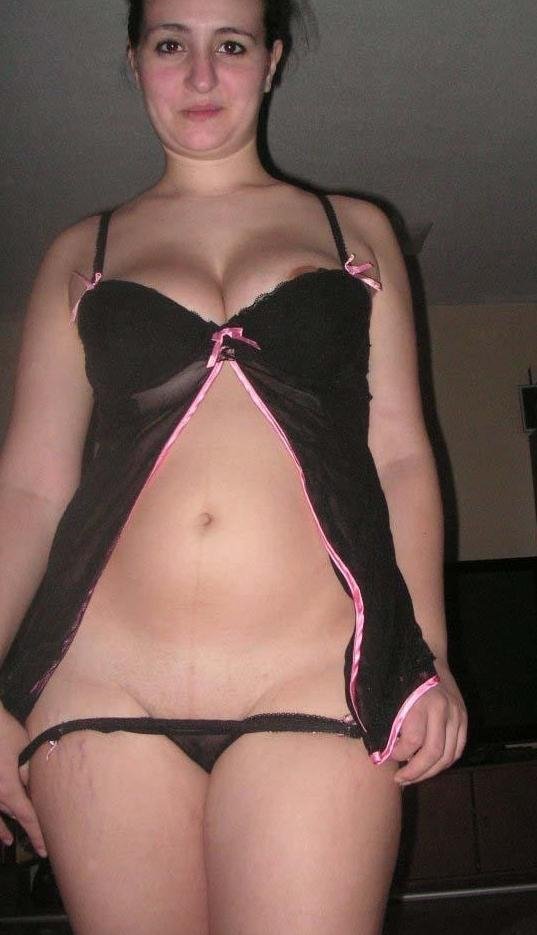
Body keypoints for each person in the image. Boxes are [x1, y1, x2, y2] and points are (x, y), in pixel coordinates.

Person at [0, 1, 467, 932]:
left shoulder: (353, 229)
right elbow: (30, 486)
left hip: (315, 681)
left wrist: (430, 658)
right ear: (135, 60)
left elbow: (402, 457)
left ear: (272, 59)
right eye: (171, 44)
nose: (202, 75)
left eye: (232, 44)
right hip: (102, 687)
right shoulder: (81, 252)